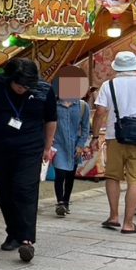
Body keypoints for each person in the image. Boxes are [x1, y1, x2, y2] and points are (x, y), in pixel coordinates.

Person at [0, 58, 57, 263]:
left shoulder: (44, 89)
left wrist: (47, 146)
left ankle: (26, 240)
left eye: (28, 86)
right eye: (20, 85)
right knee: (5, 192)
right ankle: (14, 232)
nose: (24, 89)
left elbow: (51, 120)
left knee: (25, 189)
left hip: (30, 147)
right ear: (9, 78)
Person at [92, 51, 136, 235]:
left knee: (113, 176)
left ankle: (113, 216)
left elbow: (100, 112)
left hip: (114, 136)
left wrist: (94, 136)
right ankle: (128, 223)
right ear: (135, 66)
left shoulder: (108, 85)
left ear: (116, 67)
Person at [52, 83, 91, 216]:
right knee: (60, 173)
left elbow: (86, 128)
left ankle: (66, 201)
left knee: (70, 176)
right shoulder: (53, 105)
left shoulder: (82, 106)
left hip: (75, 145)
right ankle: (60, 202)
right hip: (58, 144)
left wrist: (81, 145)